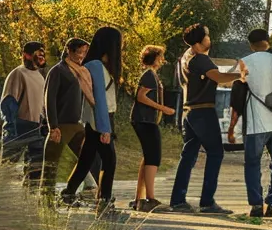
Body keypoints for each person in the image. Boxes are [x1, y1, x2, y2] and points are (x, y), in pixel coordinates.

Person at [170, 23, 246, 214]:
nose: (209, 39)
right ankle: (207, 202)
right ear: (199, 41)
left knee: (188, 155)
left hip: (189, 112)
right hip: (203, 111)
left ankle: (178, 200)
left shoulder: (185, 57)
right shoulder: (200, 58)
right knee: (216, 153)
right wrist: (242, 75)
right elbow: (219, 77)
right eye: (207, 36)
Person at [226, 29, 272, 219]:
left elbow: (238, 97)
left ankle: (255, 204)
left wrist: (232, 128)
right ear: (268, 42)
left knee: (253, 163)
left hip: (256, 125)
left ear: (251, 45)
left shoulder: (246, 62)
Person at [62, 27, 123, 213]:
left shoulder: (100, 65)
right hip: (100, 119)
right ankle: (104, 201)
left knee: (87, 158)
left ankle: (68, 193)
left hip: (98, 118)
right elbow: (99, 100)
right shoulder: (95, 65)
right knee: (109, 160)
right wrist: (105, 128)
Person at [43, 38, 92, 203]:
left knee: (89, 156)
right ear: (69, 51)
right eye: (79, 52)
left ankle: (70, 191)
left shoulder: (81, 71)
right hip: (61, 125)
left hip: (78, 125)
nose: (81, 56)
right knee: (51, 165)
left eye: (84, 52)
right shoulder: (58, 70)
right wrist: (53, 126)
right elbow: (49, 99)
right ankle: (46, 201)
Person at [130, 44, 175, 213]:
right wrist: (163, 108)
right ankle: (150, 197)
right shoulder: (149, 75)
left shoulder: (152, 75)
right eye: (160, 56)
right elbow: (141, 97)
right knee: (154, 157)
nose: (162, 60)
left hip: (147, 121)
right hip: (144, 120)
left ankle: (139, 198)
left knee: (149, 157)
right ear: (155, 58)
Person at [0, 41, 50, 189]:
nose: (42, 54)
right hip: (18, 126)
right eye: (38, 51)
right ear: (26, 55)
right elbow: (8, 102)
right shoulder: (18, 73)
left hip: (36, 128)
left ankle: (29, 200)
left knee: (35, 169)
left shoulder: (40, 76)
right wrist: (11, 128)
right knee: (7, 168)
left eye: (43, 52)